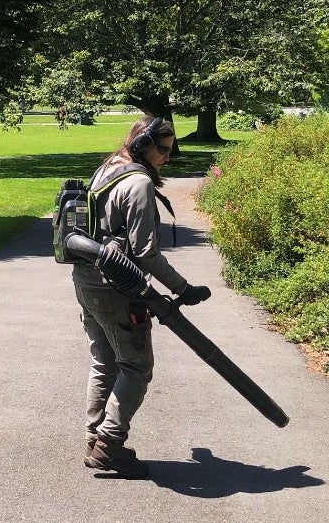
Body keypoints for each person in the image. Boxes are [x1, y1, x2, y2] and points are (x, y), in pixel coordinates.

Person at [72, 115, 210, 478]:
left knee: (105, 361)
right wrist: (183, 288)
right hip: (118, 287)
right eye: (163, 149)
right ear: (142, 143)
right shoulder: (137, 183)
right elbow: (145, 253)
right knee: (136, 366)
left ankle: (96, 439)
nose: (167, 156)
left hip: (87, 280)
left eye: (171, 150)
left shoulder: (109, 168)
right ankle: (108, 445)